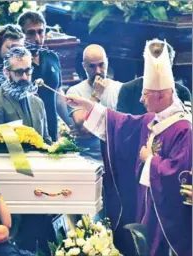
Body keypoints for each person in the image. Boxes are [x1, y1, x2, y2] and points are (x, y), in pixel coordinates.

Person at [66, 40, 192, 256]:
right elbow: (122, 122)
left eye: (146, 94)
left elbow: (181, 174)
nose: (141, 99)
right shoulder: (155, 118)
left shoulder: (183, 128)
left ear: (161, 95)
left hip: (168, 218)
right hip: (150, 206)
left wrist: (150, 160)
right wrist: (88, 106)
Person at [17, 11, 73, 141]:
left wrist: (71, 124)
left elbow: (58, 94)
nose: (37, 38)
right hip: (27, 133)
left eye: (40, 32)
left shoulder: (51, 57)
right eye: (31, 33)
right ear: (21, 35)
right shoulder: (17, 63)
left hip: (51, 130)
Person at [0, 46, 52, 144]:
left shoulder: (38, 102)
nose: (24, 77)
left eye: (28, 71)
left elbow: (46, 139)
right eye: (19, 72)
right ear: (6, 72)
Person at [66, 44, 122, 161]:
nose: (98, 71)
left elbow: (125, 128)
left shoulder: (120, 89)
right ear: (84, 66)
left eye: (101, 65)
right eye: (92, 66)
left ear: (107, 62)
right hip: (87, 160)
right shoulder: (75, 91)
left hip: (116, 160)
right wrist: (96, 95)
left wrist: (92, 128)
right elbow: (82, 126)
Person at [117, 38, 191, 115]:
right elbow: (121, 122)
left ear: (171, 63)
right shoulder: (127, 89)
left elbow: (187, 120)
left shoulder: (183, 92)